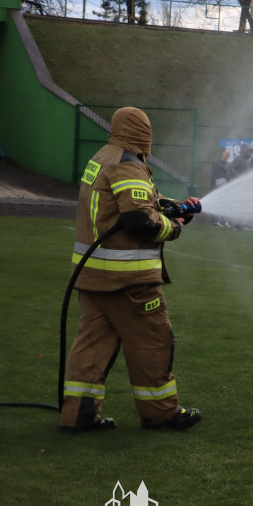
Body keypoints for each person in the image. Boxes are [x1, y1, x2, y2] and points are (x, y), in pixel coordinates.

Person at [59, 107, 202, 433]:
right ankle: (161, 414)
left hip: (93, 276)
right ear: (143, 133)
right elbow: (139, 220)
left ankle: (78, 416)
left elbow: (130, 203)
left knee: (92, 347)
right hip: (129, 280)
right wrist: (173, 226)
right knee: (153, 342)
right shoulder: (128, 165)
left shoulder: (102, 158)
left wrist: (170, 205)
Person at [210, 148, 233, 227]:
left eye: (228, 153)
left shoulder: (229, 164)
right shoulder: (216, 163)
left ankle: (224, 221)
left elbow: (229, 176)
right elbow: (214, 176)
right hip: (217, 187)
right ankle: (215, 221)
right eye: (226, 153)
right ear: (222, 154)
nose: (228, 155)